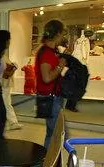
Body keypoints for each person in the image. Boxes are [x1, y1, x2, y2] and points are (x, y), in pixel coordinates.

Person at [35, 20, 68, 153]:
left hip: (52, 96)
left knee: (54, 132)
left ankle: (46, 163)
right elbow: (47, 77)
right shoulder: (47, 53)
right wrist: (60, 65)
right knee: (55, 133)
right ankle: (45, 164)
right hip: (50, 98)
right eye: (62, 34)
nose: (62, 37)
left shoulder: (50, 51)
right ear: (57, 34)